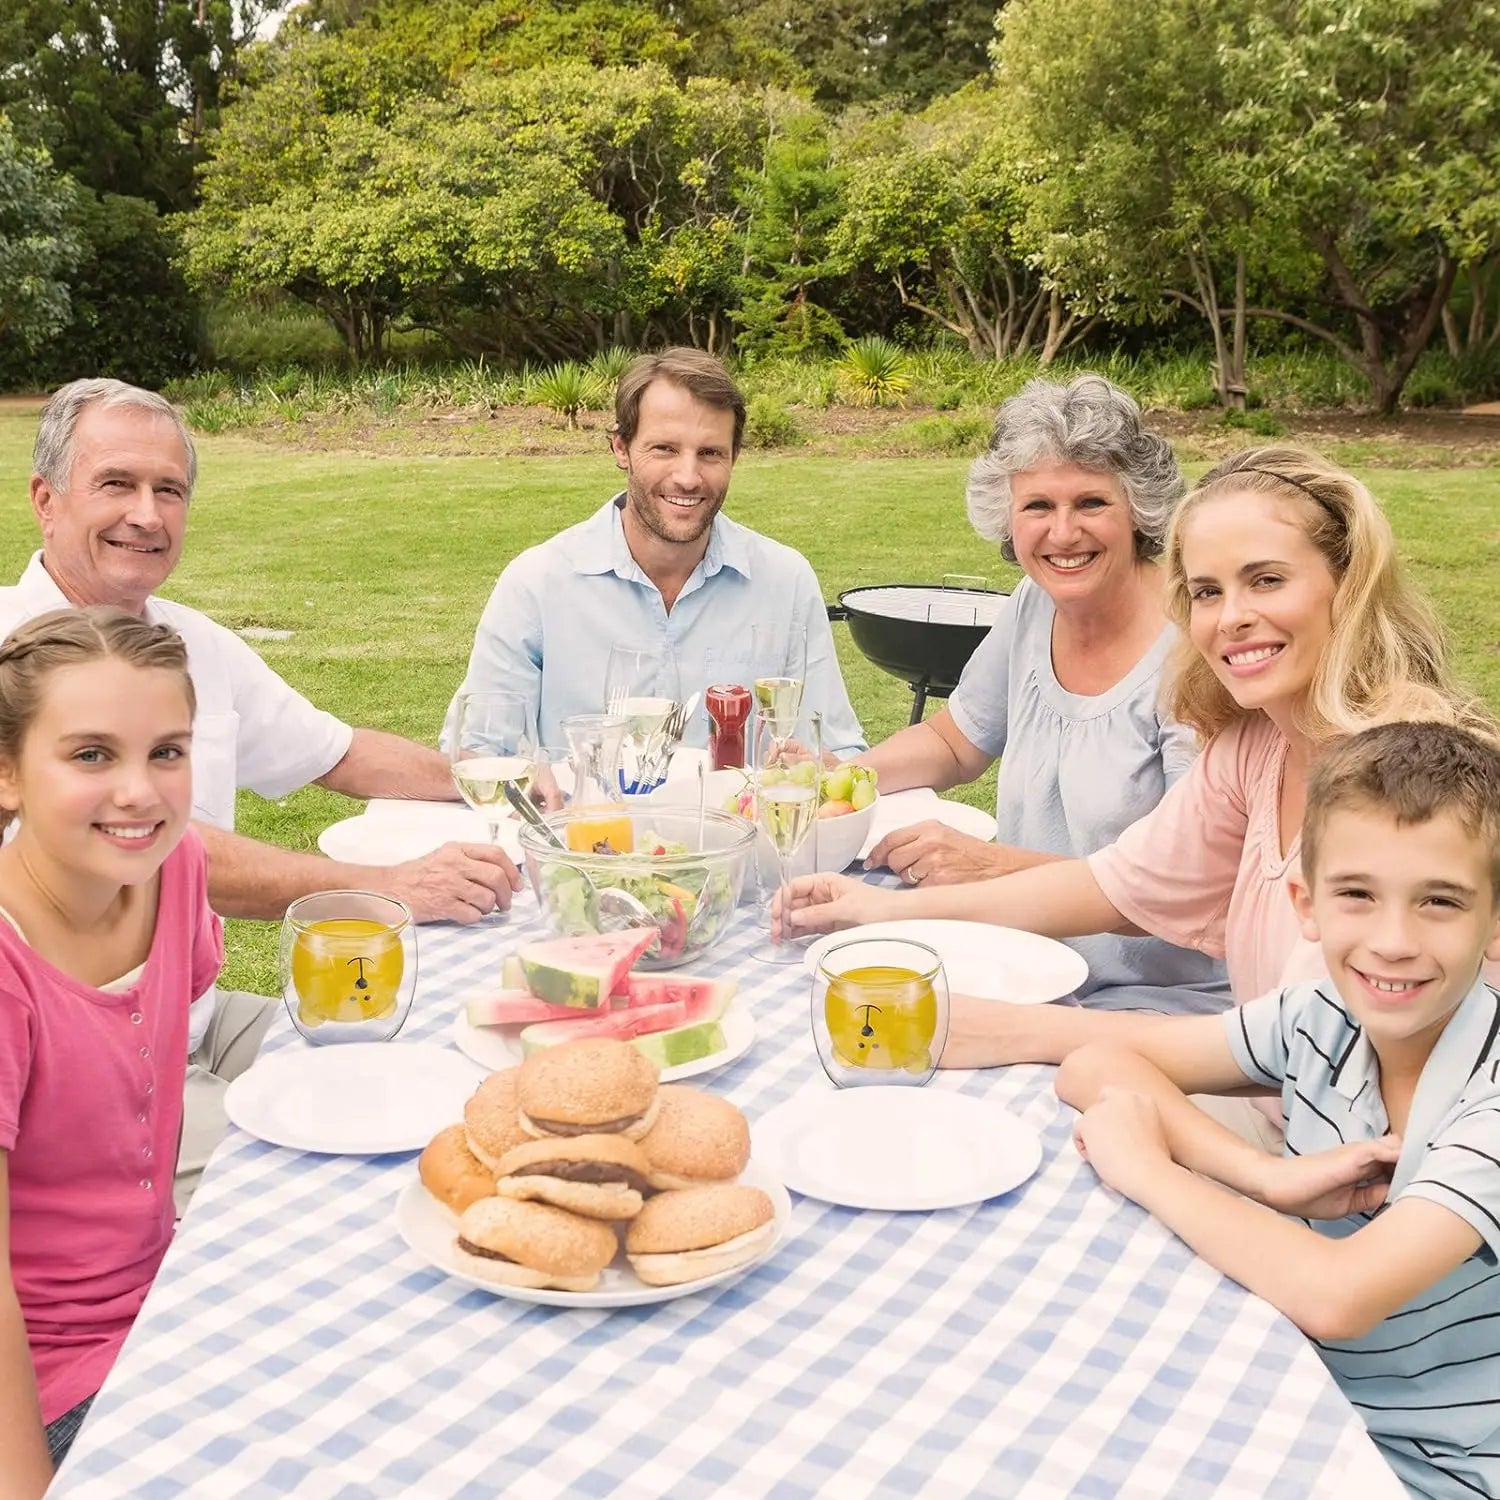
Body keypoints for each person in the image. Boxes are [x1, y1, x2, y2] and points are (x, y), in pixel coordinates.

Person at [779, 447, 1492, 1075]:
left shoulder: (1411, 782)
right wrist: (879, 912)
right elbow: (1111, 887)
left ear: (1349, 582)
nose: (1231, 616)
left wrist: (1024, 1031)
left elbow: (1314, 1053)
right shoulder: (1257, 744)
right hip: (1280, 1110)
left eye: (1267, 580)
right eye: (1208, 592)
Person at [0, 378, 523, 1208]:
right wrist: (383, 890)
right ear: (46, 500)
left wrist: (505, 781)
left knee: (442, 1070)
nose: (146, 514)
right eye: (117, 484)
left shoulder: (190, 641)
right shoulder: (9, 663)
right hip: (78, 1081)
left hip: (200, 1017)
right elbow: (156, 854)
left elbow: (339, 753)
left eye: (168, 490)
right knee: (322, 1195)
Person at [1057, 721, 1500, 1500]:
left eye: (1439, 901)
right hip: (1292, 1395)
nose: (1393, 942)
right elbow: (1095, 1066)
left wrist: (1150, 1169)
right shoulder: (1318, 1016)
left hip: (1431, 1468)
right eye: (1357, 895)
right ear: (1306, 902)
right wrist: (1262, 1177)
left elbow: (1338, 1295)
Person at [855, 374, 1226, 1013]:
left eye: (1090, 503)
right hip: (1028, 966)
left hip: (1159, 1000)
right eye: (1037, 507)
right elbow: (955, 741)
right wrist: (834, 780)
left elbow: (1180, 890)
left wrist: (989, 866)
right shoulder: (1034, 604)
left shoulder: (1194, 647)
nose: (1062, 533)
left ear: (1139, 508)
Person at [0, 608, 223, 1494]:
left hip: (166, 1305)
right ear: (7, 771)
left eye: (167, 752)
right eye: (92, 755)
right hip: (51, 1381)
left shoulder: (175, 870)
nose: (141, 791)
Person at [447, 348, 866, 758]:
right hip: (588, 828)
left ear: (735, 457)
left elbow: (833, 751)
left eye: (710, 453)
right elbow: (480, 755)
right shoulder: (536, 585)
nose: (687, 477)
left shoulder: (784, 582)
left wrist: (812, 767)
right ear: (620, 449)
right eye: (664, 448)